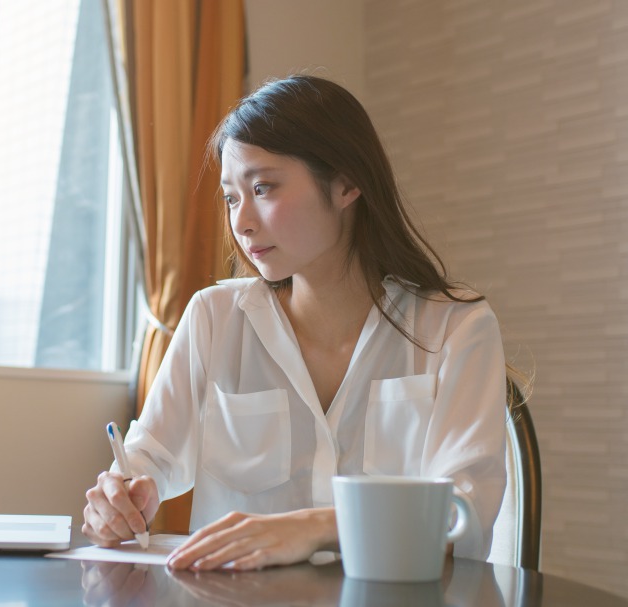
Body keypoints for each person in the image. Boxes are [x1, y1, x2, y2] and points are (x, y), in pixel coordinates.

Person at [82, 75, 508, 571]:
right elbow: (147, 461)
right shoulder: (214, 319)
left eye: (262, 188)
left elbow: (464, 518)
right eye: (231, 197)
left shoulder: (456, 328)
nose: (241, 221)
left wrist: (317, 527)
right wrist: (117, 501)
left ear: (347, 182)